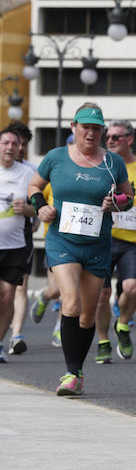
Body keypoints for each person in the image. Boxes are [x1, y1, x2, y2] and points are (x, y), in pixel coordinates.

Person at [27, 103, 132, 394]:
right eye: (85, 127)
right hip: (62, 242)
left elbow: (129, 198)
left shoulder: (113, 163)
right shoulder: (56, 157)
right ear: (74, 127)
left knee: (89, 313)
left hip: (98, 244)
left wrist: (117, 203)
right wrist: (41, 207)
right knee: (70, 303)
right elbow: (34, 187)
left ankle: (78, 371)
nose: (91, 133)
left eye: (96, 128)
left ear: (102, 131)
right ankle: (70, 374)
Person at [94, 119, 136, 362]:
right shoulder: (99, 165)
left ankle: (122, 324)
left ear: (129, 140)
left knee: (133, 288)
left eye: (115, 137)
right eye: (108, 137)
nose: (109, 140)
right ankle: (102, 341)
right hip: (103, 238)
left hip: (134, 239)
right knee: (102, 295)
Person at [0, 129, 36, 362]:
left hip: (15, 245)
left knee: (7, 296)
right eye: (5, 142)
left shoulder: (29, 173)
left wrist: (28, 210)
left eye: (15, 143)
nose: (10, 147)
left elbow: (39, 208)